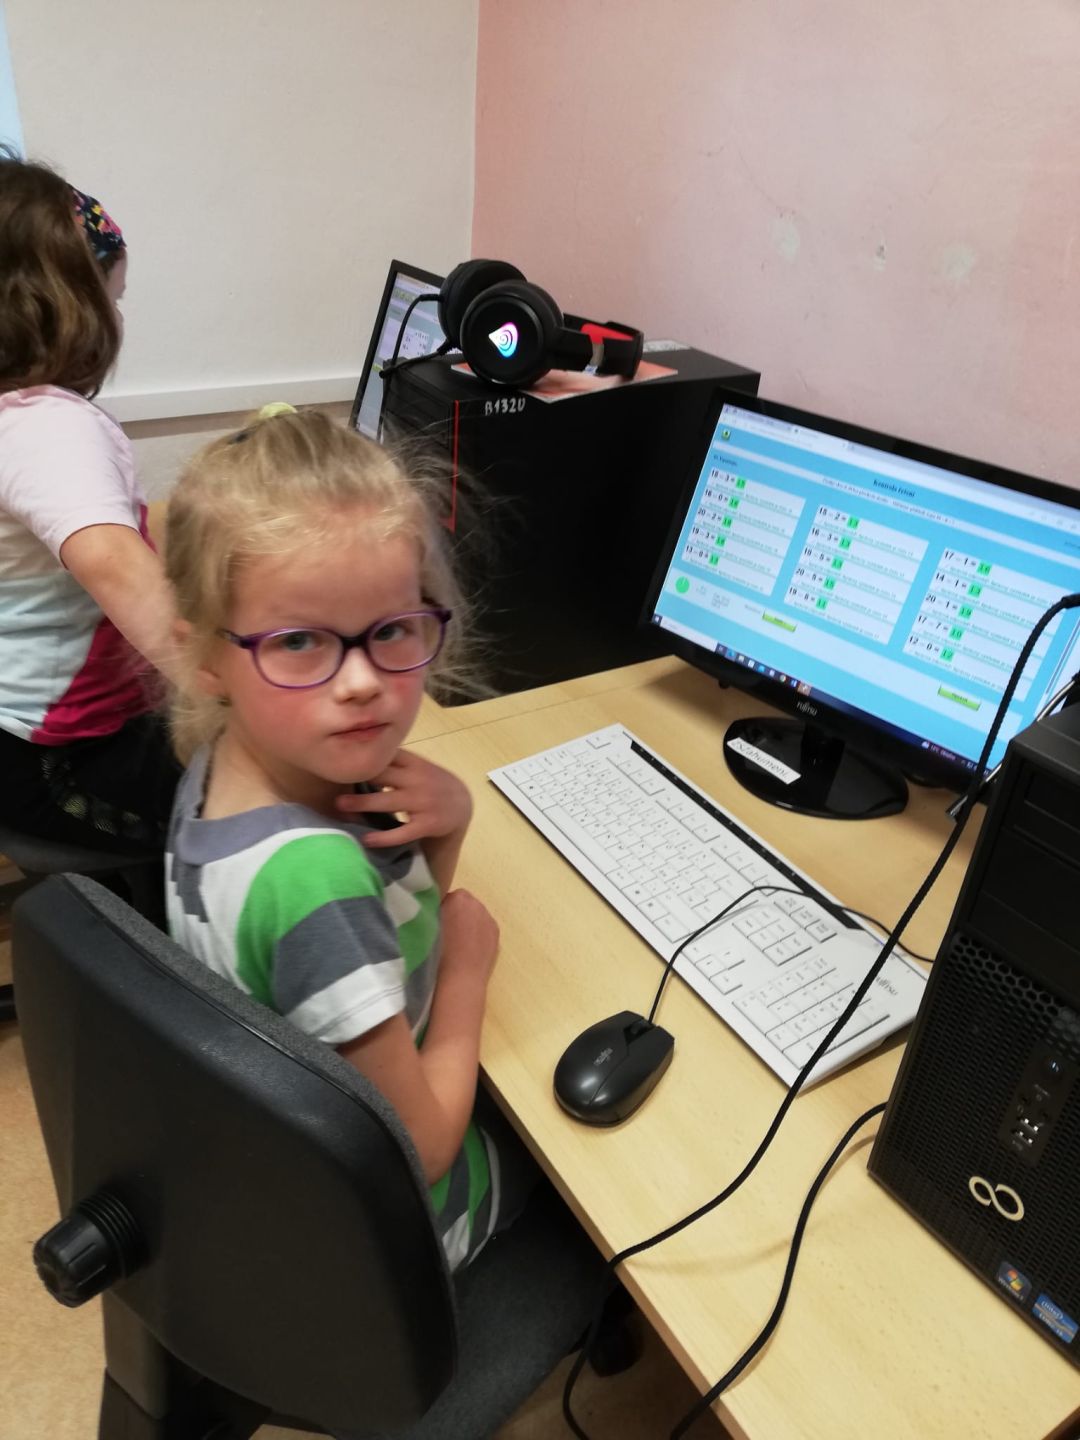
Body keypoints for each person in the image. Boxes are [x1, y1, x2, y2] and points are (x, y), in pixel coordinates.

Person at [163, 407, 530, 1269]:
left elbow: (398, 934)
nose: (362, 682)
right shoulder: (311, 882)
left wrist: (451, 821)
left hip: (300, 1155)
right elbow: (422, 1149)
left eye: (392, 630)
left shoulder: (228, 765)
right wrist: (468, 972)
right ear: (205, 656)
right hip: (399, 1231)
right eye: (299, 642)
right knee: (587, 1165)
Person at [0, 152, 179, 852]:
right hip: (59, 762)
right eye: (115, 297)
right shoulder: (49, 426)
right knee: (281, 792)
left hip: (20, 737)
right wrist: (259, 692)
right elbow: (109, 559)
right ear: (72, 305)